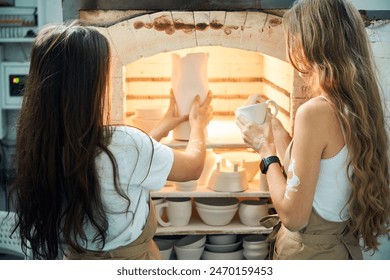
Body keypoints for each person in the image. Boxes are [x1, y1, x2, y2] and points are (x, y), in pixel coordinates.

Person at [9, 21, 213, 260]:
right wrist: (199, 125)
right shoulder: (125, 144)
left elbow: (119, 160)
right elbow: (193, 166)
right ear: (88, 87)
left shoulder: (44, 145)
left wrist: (163, 126)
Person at [237, 0, 390, 259]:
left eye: (293, 37)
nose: (291, 47)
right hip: (341, 248)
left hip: (311, 254)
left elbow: (293, 217)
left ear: (310, 42)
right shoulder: (357, 102)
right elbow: (313, 171)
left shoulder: (315, 111)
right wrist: (272, 122)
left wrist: (265, 151)